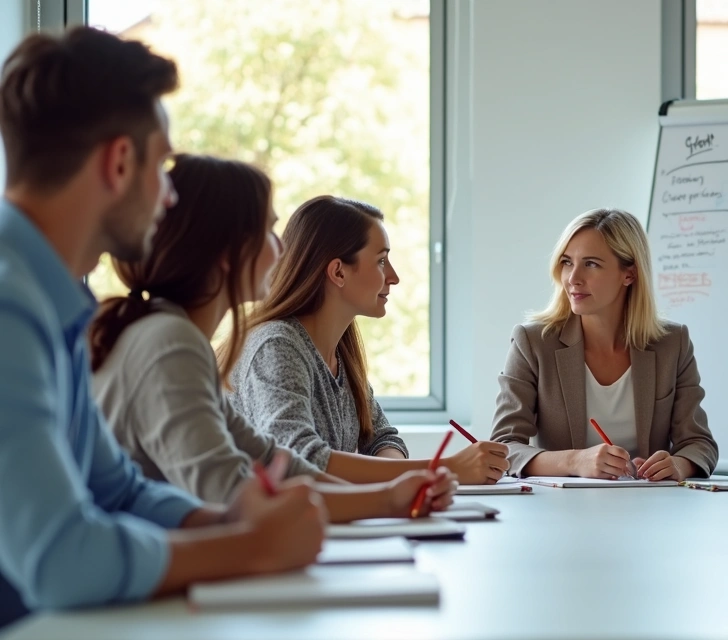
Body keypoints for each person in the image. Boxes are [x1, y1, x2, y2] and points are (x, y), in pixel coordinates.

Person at [0, 27, 323, 628]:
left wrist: (229, 521)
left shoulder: (55, 299)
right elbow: (61, 560)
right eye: (163, 166)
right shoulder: (8, 305)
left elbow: (117, 490)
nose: (169, 195)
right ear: (120, 162)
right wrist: (250, 547)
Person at [91, 154, 456, 520]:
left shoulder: (179, 340)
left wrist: (392, 495)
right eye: (269, 231)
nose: (282, 250)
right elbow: (234, 495)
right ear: (228, 252)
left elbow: (271, 460)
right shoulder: (169, 344)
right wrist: (388, 498)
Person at [227, 195, 508, 485]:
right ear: (338, 272)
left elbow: (382, 439)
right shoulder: (276, 346)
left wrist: (404, 483)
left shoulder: (340, 353)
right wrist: (441, 470)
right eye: (382, 261)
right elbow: (299, 460)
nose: (394, 277)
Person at [490, 208, 719, 481]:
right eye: (566, 262)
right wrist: (575, 461)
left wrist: (679, 465)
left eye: (591, 264)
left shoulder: (672, 343)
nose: (573, 278)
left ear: (630, 274)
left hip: (653, 506)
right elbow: (503, 447)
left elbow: (700, 444)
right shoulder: (533, 343)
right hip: (560, 509)